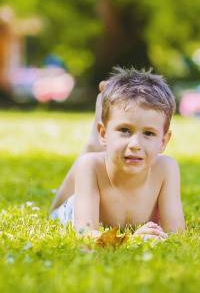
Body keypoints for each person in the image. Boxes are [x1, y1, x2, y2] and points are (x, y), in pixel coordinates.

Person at [49, 68, 184, 239]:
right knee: (54, 211)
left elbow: (176, 234)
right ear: (104, 134)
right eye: (125, 130)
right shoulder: (90, 166)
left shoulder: (167, 168)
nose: (135, 145)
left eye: (149, 133)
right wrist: (129, 240)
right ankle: (94, 140)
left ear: (163, 142)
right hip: (70, 211)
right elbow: (83, 234)